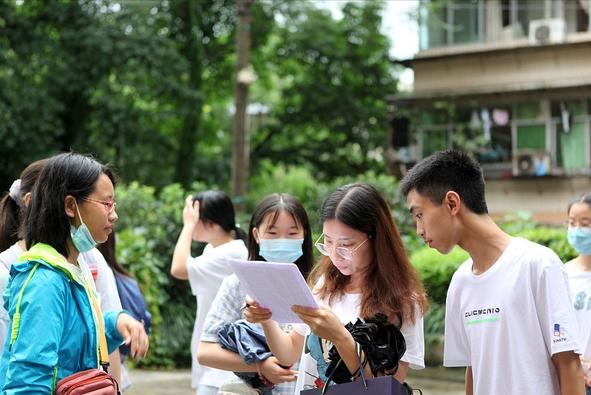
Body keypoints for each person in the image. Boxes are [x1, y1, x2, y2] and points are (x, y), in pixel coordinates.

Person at [400, 149, 583, 395]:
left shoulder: (538, 264)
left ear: (452, 203)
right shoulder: (460, 283)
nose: (419, 230)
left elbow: (569, 365)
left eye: (420, 215)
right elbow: (474, 370)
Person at [245, 183, 427, 393]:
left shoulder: (403, 302)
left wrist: (341, 338)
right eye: (328, 242)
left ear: (376, 238)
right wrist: (265, 317)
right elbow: (288, 354)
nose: (334, 254)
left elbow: (385, 388)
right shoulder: (325, 284)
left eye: (346, 245)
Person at [0, 152, 149, 394]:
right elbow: (28, 384)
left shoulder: (71, 267)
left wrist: (115, 323)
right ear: (70, 206)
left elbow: (76, 344)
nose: (114, 215)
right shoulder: (44, 280)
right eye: (106, 203)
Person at [198, 193, 314, 395]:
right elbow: (206, 352)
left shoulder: (319, 286)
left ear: (304, 235)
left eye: (292, 233)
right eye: (273, 233)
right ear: (256, 235)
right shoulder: (237, 283)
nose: (282, 241)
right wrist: (259, 365)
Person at [171, 190, 249, 394]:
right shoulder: (214, 250)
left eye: (195, 217)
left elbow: (178, 268)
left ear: (212, 223)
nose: (189, 219)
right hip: (212, 358)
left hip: (222, 364)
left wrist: (187, 226)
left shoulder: (232, 253)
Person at [98, 231, 152, 392]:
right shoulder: (128, 279)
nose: (113, 215)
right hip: (119, 365)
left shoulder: (99, 269)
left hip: (106, 371)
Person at [565, 194, 591, 394]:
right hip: (572, 377)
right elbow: (556, 328)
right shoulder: (561, 274)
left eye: (585, 223)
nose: (577, 230)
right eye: (572, 223)